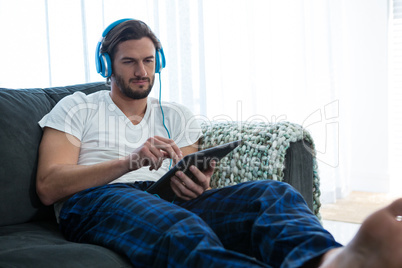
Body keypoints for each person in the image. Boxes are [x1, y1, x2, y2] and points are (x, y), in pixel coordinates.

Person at [36, 18, 402, 268]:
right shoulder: (77, 107)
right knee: (178, 226)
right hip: (98, 201)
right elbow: (49, 187)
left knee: (274, 195)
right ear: (107, 65)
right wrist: (128, 163)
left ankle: (327, 261)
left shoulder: (177, 115)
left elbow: (189, 182)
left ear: (159, 61)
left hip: (162, 198)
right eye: (129, 62)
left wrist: (197, 184)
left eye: (148, 61)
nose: (142, 72)